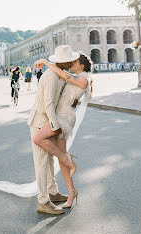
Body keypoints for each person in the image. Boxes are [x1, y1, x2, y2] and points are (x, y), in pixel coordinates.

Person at [33, 53, 92, 208]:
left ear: (81, 65)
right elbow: (61, 75)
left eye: (75, 61)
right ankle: (71, 192)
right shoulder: (76, 76)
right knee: (59, 157)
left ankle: (67, 159)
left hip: (64, 117)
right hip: (61, 115)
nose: (72, 63)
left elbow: (61, 73)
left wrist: (45, 61)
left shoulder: (84, 79)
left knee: (38, 138)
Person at [27, 45, 80, 215]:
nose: (72, 62)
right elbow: (48, 102)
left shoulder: (58, 74)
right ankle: (43, 201)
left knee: (48, 160)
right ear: (62, 62)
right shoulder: (50, 76)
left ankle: (52, 191)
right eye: (69, 60)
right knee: (42, 162)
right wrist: (55, 125)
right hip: (40, 121)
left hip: (47, 121)